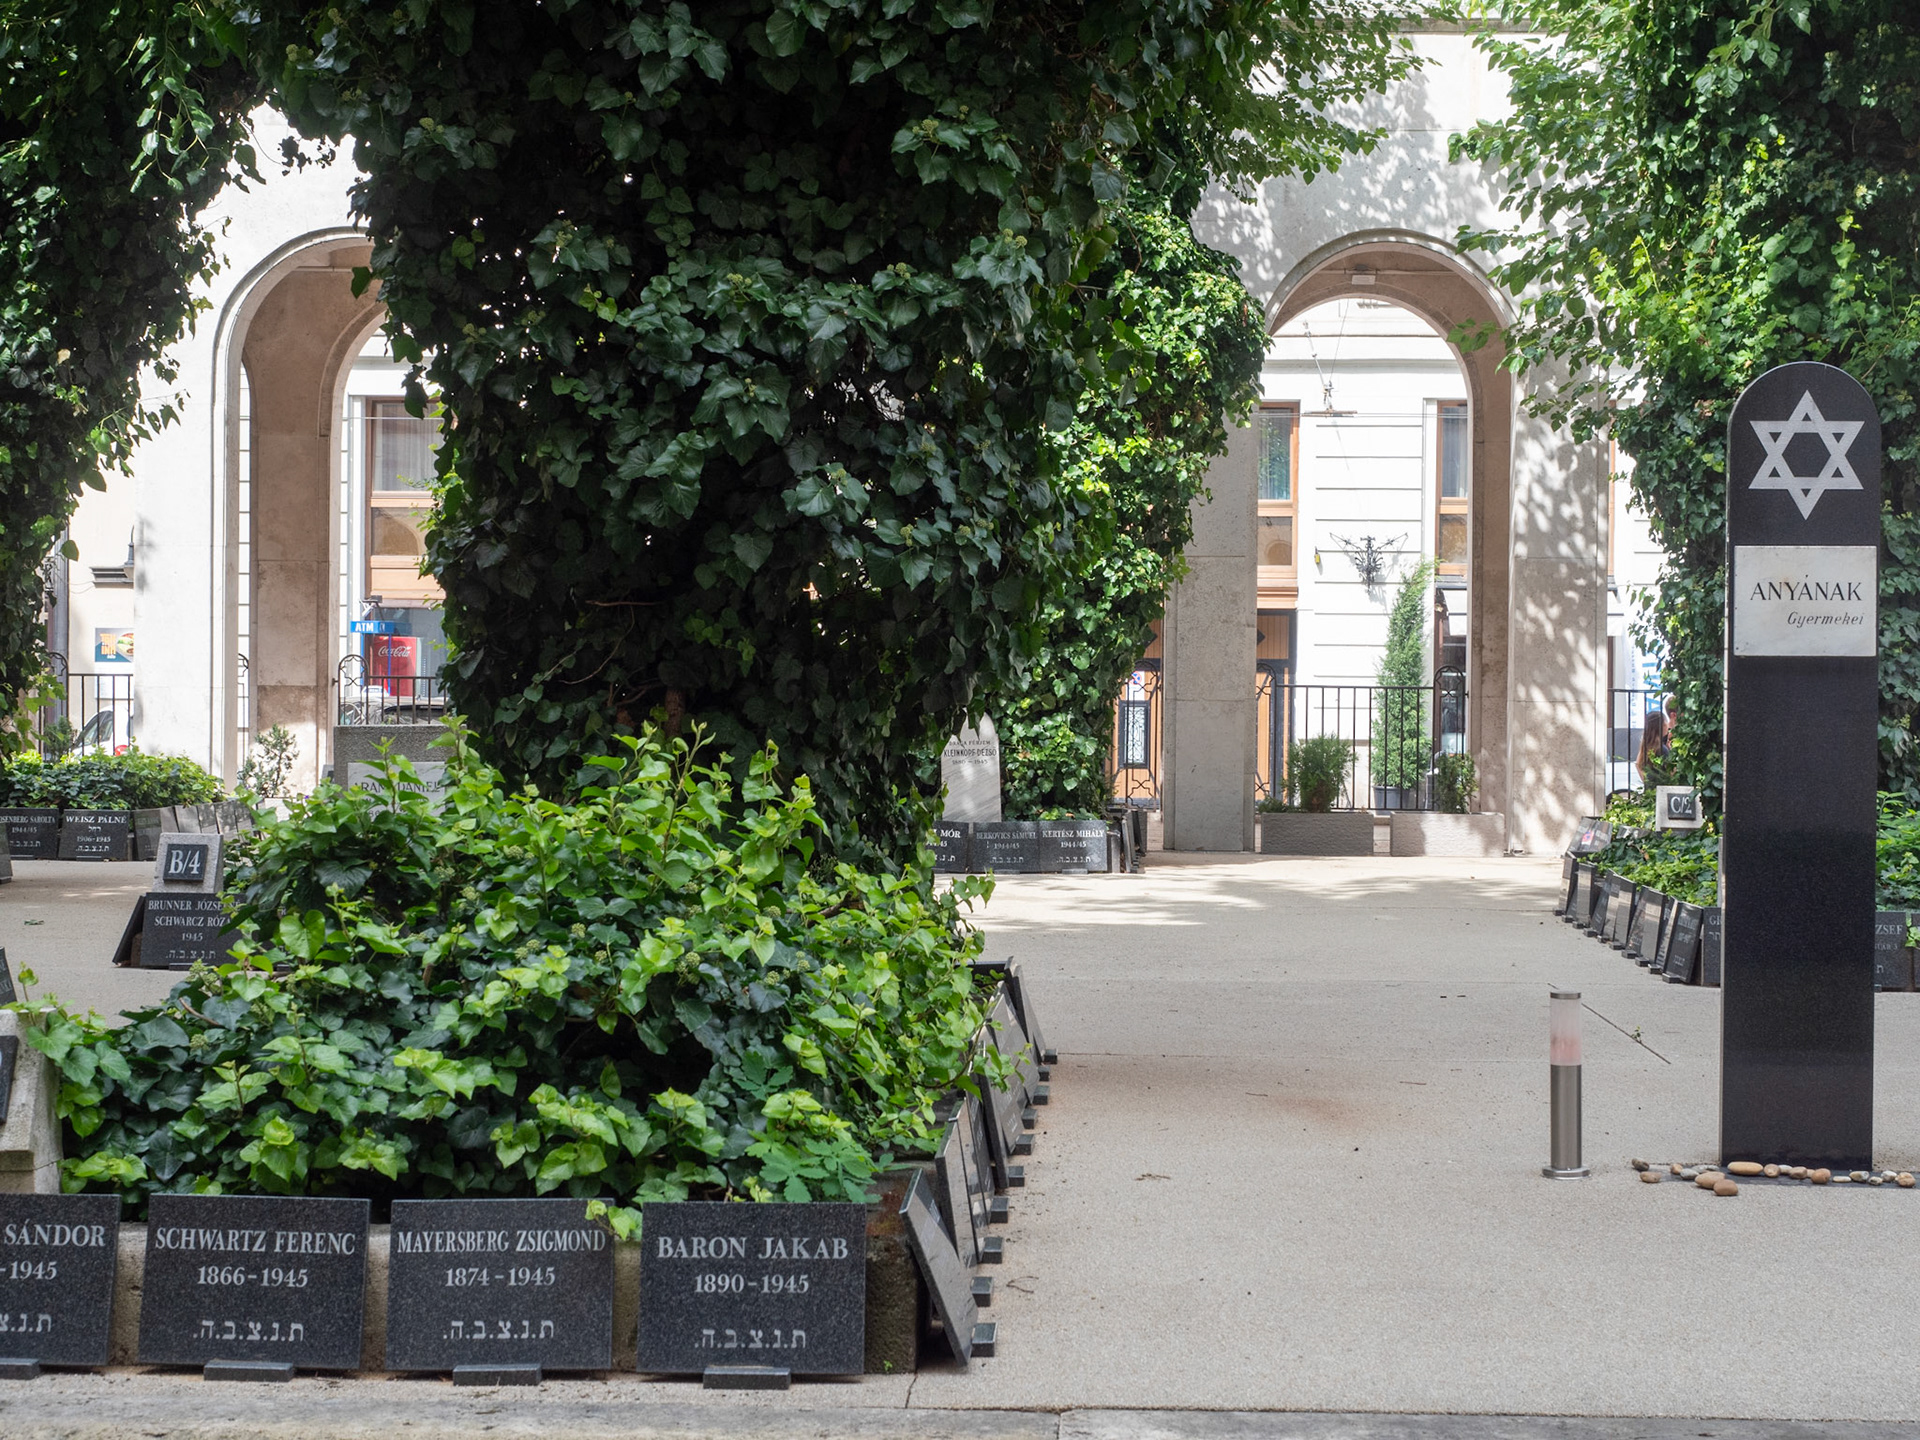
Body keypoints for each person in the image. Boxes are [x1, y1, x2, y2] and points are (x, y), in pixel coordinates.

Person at [1636, 709, 1671, 787]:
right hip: (1663, 791)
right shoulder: (1662, 749)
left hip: (1651, 792)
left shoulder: (1647, 747)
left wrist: (1648, 783)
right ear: (1663, 725)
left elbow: (1638, 764)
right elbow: (1671, 773)